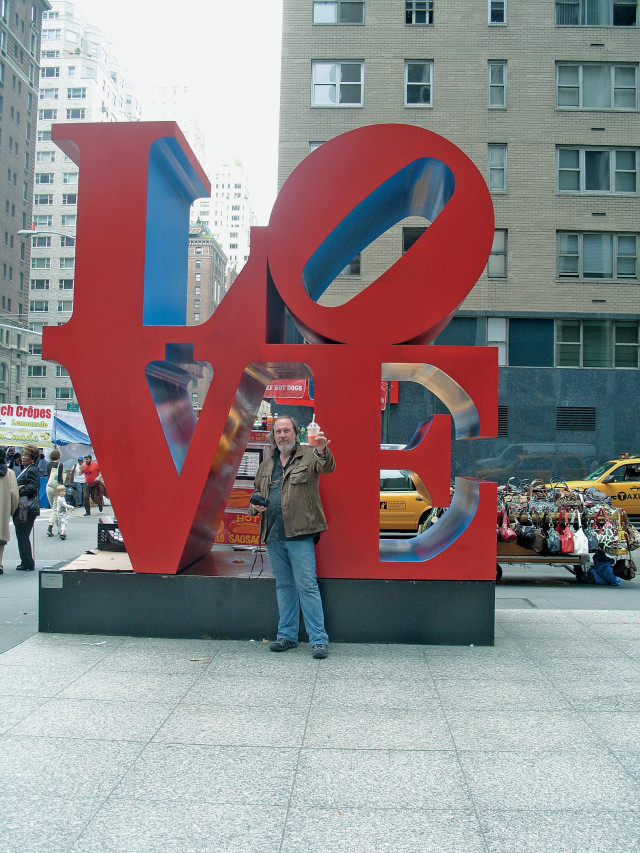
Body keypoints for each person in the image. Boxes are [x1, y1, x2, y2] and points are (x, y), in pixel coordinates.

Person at [250, 414, 335, 659]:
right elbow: (257, 493)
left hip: (300, 533)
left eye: (287, 430)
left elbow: (327, 466)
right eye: (278, 431)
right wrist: (255, 507)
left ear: (296, 433)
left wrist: (322, 449)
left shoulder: (309, 455)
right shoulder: (267, 465)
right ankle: (286, 636)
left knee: (307, 586)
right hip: (274, 534)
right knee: (284, 586)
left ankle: (318, 640)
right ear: (273, 435)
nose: (282, 435)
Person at [13, 443, 40, 571]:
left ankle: (27, 562)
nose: (23, 457)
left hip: (27, 507)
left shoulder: (32, 469)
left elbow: (33, 487)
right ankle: (26, 561)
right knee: (22, 535)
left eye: (26, 456)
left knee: (22, 534)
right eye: (23, 455)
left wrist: (20, 489)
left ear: (33, 458)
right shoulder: (28, 468)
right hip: (27, 507)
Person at [0, 446, 19, 574]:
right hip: (2, 511)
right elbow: (14, 495)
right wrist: (11, 510)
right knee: (1, 539)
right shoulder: (9, 473)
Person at [45, 448, 64, 537]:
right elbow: (60, 477)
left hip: (48, 486)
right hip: (56, 487)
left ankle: (59, 528)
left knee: (53, 508)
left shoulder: (48, 464)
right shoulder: (60, 464)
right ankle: (50, 527)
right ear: (58, 456)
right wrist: (62, 487)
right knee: (56, 509)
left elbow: (48, 474)